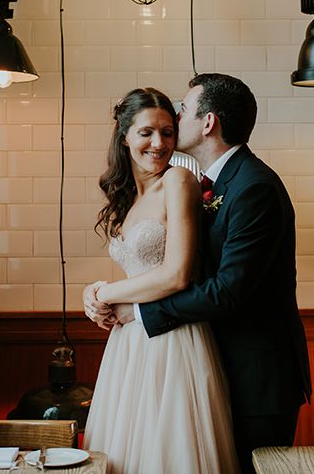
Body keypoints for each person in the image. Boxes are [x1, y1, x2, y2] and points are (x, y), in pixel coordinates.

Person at [96, 73, 312, 473]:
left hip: (257, 377)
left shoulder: (253, 186)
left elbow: (227, 290)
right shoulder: (211, 183)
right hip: (207, 358)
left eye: (181, 111)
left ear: (208, 122)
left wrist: (138, 312)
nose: (175, 123)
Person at [81, 87, 239, 474]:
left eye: (168, 132)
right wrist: (94, 291)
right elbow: (139, 272)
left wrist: (106, 293)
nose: (159, 143)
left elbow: (176, 274)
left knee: (168, 451)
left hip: (172, 339)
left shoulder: (179, 182)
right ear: (125, 137)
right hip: (129, 342)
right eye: (147, 132)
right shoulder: (127, 197)